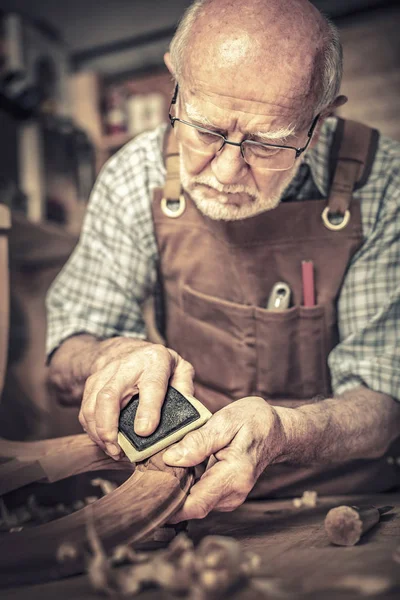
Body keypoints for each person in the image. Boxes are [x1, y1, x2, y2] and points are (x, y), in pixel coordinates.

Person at [46, 0, 400, 522]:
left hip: (344, 502)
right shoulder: (134, 177)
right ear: (176, 82)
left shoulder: (382, 183)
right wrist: (108, 356)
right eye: (207, 130)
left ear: (321, 120)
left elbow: (385, 397)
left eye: (266, 144)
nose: (229, 170)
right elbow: (65, 352)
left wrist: (284, 434)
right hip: (189, 499)